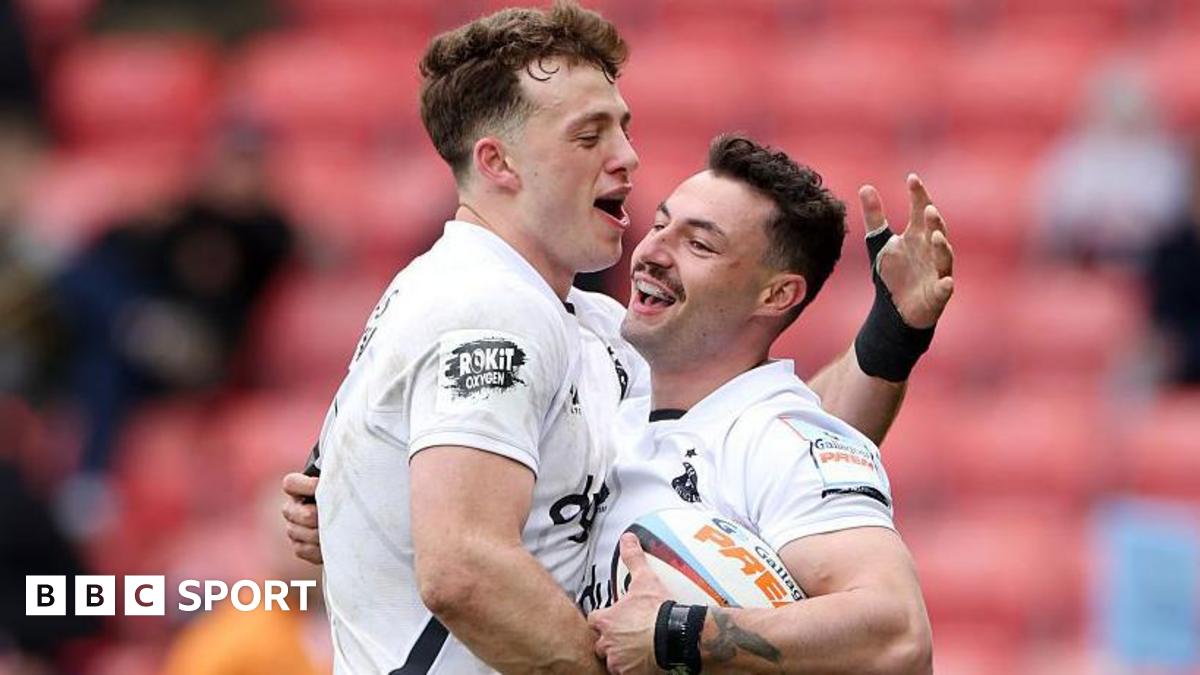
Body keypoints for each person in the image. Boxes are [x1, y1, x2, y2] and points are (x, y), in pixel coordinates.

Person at [287, 4, 951, 673]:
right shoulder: (491, 307)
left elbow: (770, 433)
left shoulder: (588, 332)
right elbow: (463, 569)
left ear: (776, 294)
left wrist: (891, 334)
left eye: (698, 241)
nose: (628, 158)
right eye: (588, 136)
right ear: (499, 162)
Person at [582, 135, 936, 674]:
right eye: (659, 225)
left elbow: (897, 631)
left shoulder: (781, 437)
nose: (651, 253)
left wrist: (675, 633)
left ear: (776, 296)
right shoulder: (610, 395)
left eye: (699, 245)